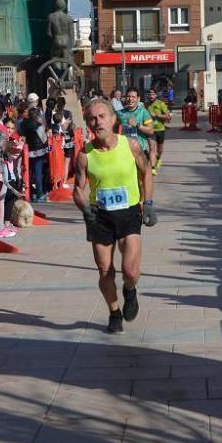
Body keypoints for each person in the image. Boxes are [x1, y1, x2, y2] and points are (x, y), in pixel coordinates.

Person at [72, 99, 155, 334]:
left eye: (101, 117)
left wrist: (148, 204)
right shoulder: (84, 155)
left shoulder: (131, 146)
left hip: (129, 212)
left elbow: (147, 171)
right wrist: (85, 209)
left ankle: (130, 290)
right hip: (100, 216)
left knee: (130, 271)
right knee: (105, 270)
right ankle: (114, 312)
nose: (97, 122)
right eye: (92, 118)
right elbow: (77, 189)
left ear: (112, 119)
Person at [116, 87, 154, 162]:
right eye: (128, 96)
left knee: (143, 173)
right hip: (125, 151)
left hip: (141, 150)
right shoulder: (119, 113)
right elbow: (113, 130)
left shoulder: (143, 112)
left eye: (133, 97)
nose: (130, 99)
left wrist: (137, 125)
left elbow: (151, 131)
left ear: (138, 99)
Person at [145, 89, 170, 173]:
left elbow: (167, 116)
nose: (151, 96)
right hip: (150, 130)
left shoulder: (160, 104)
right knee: (152, 148)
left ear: (156, 95)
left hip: (160, 129)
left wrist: (157, 115)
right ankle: (152, 168)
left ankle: (158, 158)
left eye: (152, 94)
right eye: (149, 94)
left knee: (160, 149)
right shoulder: (146, 105)